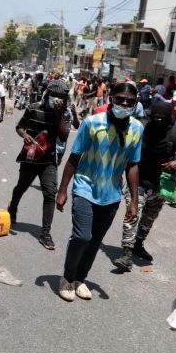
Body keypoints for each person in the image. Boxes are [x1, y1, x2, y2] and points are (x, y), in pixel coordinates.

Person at [55, 82, 143, 301]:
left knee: (95, 241)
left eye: (129, 101)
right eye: (120, 99)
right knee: (82, 236)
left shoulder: (137, 129)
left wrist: (133, 200)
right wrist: (63, 190)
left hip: (111, 194)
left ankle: (80, 279)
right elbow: (74, 158)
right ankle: (67, 278)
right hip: (85, 187)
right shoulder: (92, 123)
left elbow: (133, 165)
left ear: (135, 103)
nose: (124, 103)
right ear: (111, 98)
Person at [112, 102, 176, 271]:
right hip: (139, 181)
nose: (158, 121)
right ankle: (126, 253)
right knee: (132, 215)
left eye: (162, 119)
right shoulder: (142, 129)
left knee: (149, 218)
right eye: (156, 118)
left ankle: (138, 244)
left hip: (162, 184)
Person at [7, 80, 72, 250]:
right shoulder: (34, 107)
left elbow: (64, 136)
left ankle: (45, 233)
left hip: (49, 160)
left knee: (50, 194)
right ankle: (12, 207)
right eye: (54, 96)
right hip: (30, 157)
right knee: (21, 186)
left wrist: (58, 115)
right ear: (47, 94)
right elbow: (19, 127)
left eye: (61, 97)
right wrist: (25, 135)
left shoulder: (64, 113)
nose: (57, 99)